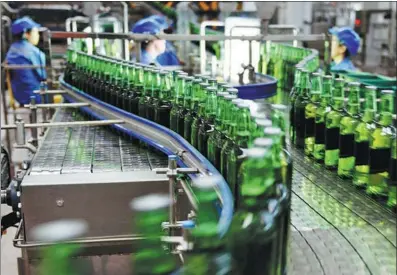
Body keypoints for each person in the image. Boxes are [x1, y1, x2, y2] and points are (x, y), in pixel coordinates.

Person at [5, 17, 46, 105]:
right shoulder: (31, 51)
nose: (38, 35)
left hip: (20, 96)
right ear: (26, 34)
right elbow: (44, 75)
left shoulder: (13, 49)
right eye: (35, 32)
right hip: (35, 96)